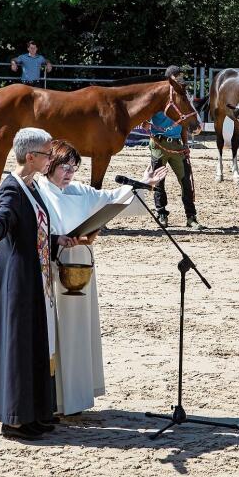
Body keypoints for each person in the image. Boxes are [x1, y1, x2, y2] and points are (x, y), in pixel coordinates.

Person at [35, 140, 167, 417]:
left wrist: (143, 184)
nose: (70, 172)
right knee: (55, 334)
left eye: (74, 167)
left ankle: (75, 399)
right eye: (64, 167)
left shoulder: (80, 191)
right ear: (49, 165)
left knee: (79, 333)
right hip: (50, 269)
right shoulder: (38, 191)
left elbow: (112, 199)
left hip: (80, 266)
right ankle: (53, 399)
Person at [0, 128, 84, 441]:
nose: (51, 159)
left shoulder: (32, 186)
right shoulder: (12, 187)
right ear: (31, 156)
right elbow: (4, 220)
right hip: (20, 279)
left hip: (38, 277)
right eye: (48, 154)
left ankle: (34, 414)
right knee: (20, 344)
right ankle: (15, 420)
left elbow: (31, 228)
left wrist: (56, 238)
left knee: (37, 342)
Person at [148, 65, 204, 230]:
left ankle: (191, 217)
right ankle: (162, 213)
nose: (180, 79)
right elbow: (143, 112)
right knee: (159, 181)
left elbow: (185, 124)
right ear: (169, 79)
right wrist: (144, 124)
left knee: (186, 181)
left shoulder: (183, 97)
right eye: (177, 77)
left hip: (177, 145)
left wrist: (186, 145)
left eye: (181, 77)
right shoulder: (158, 97)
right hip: (158, 143)